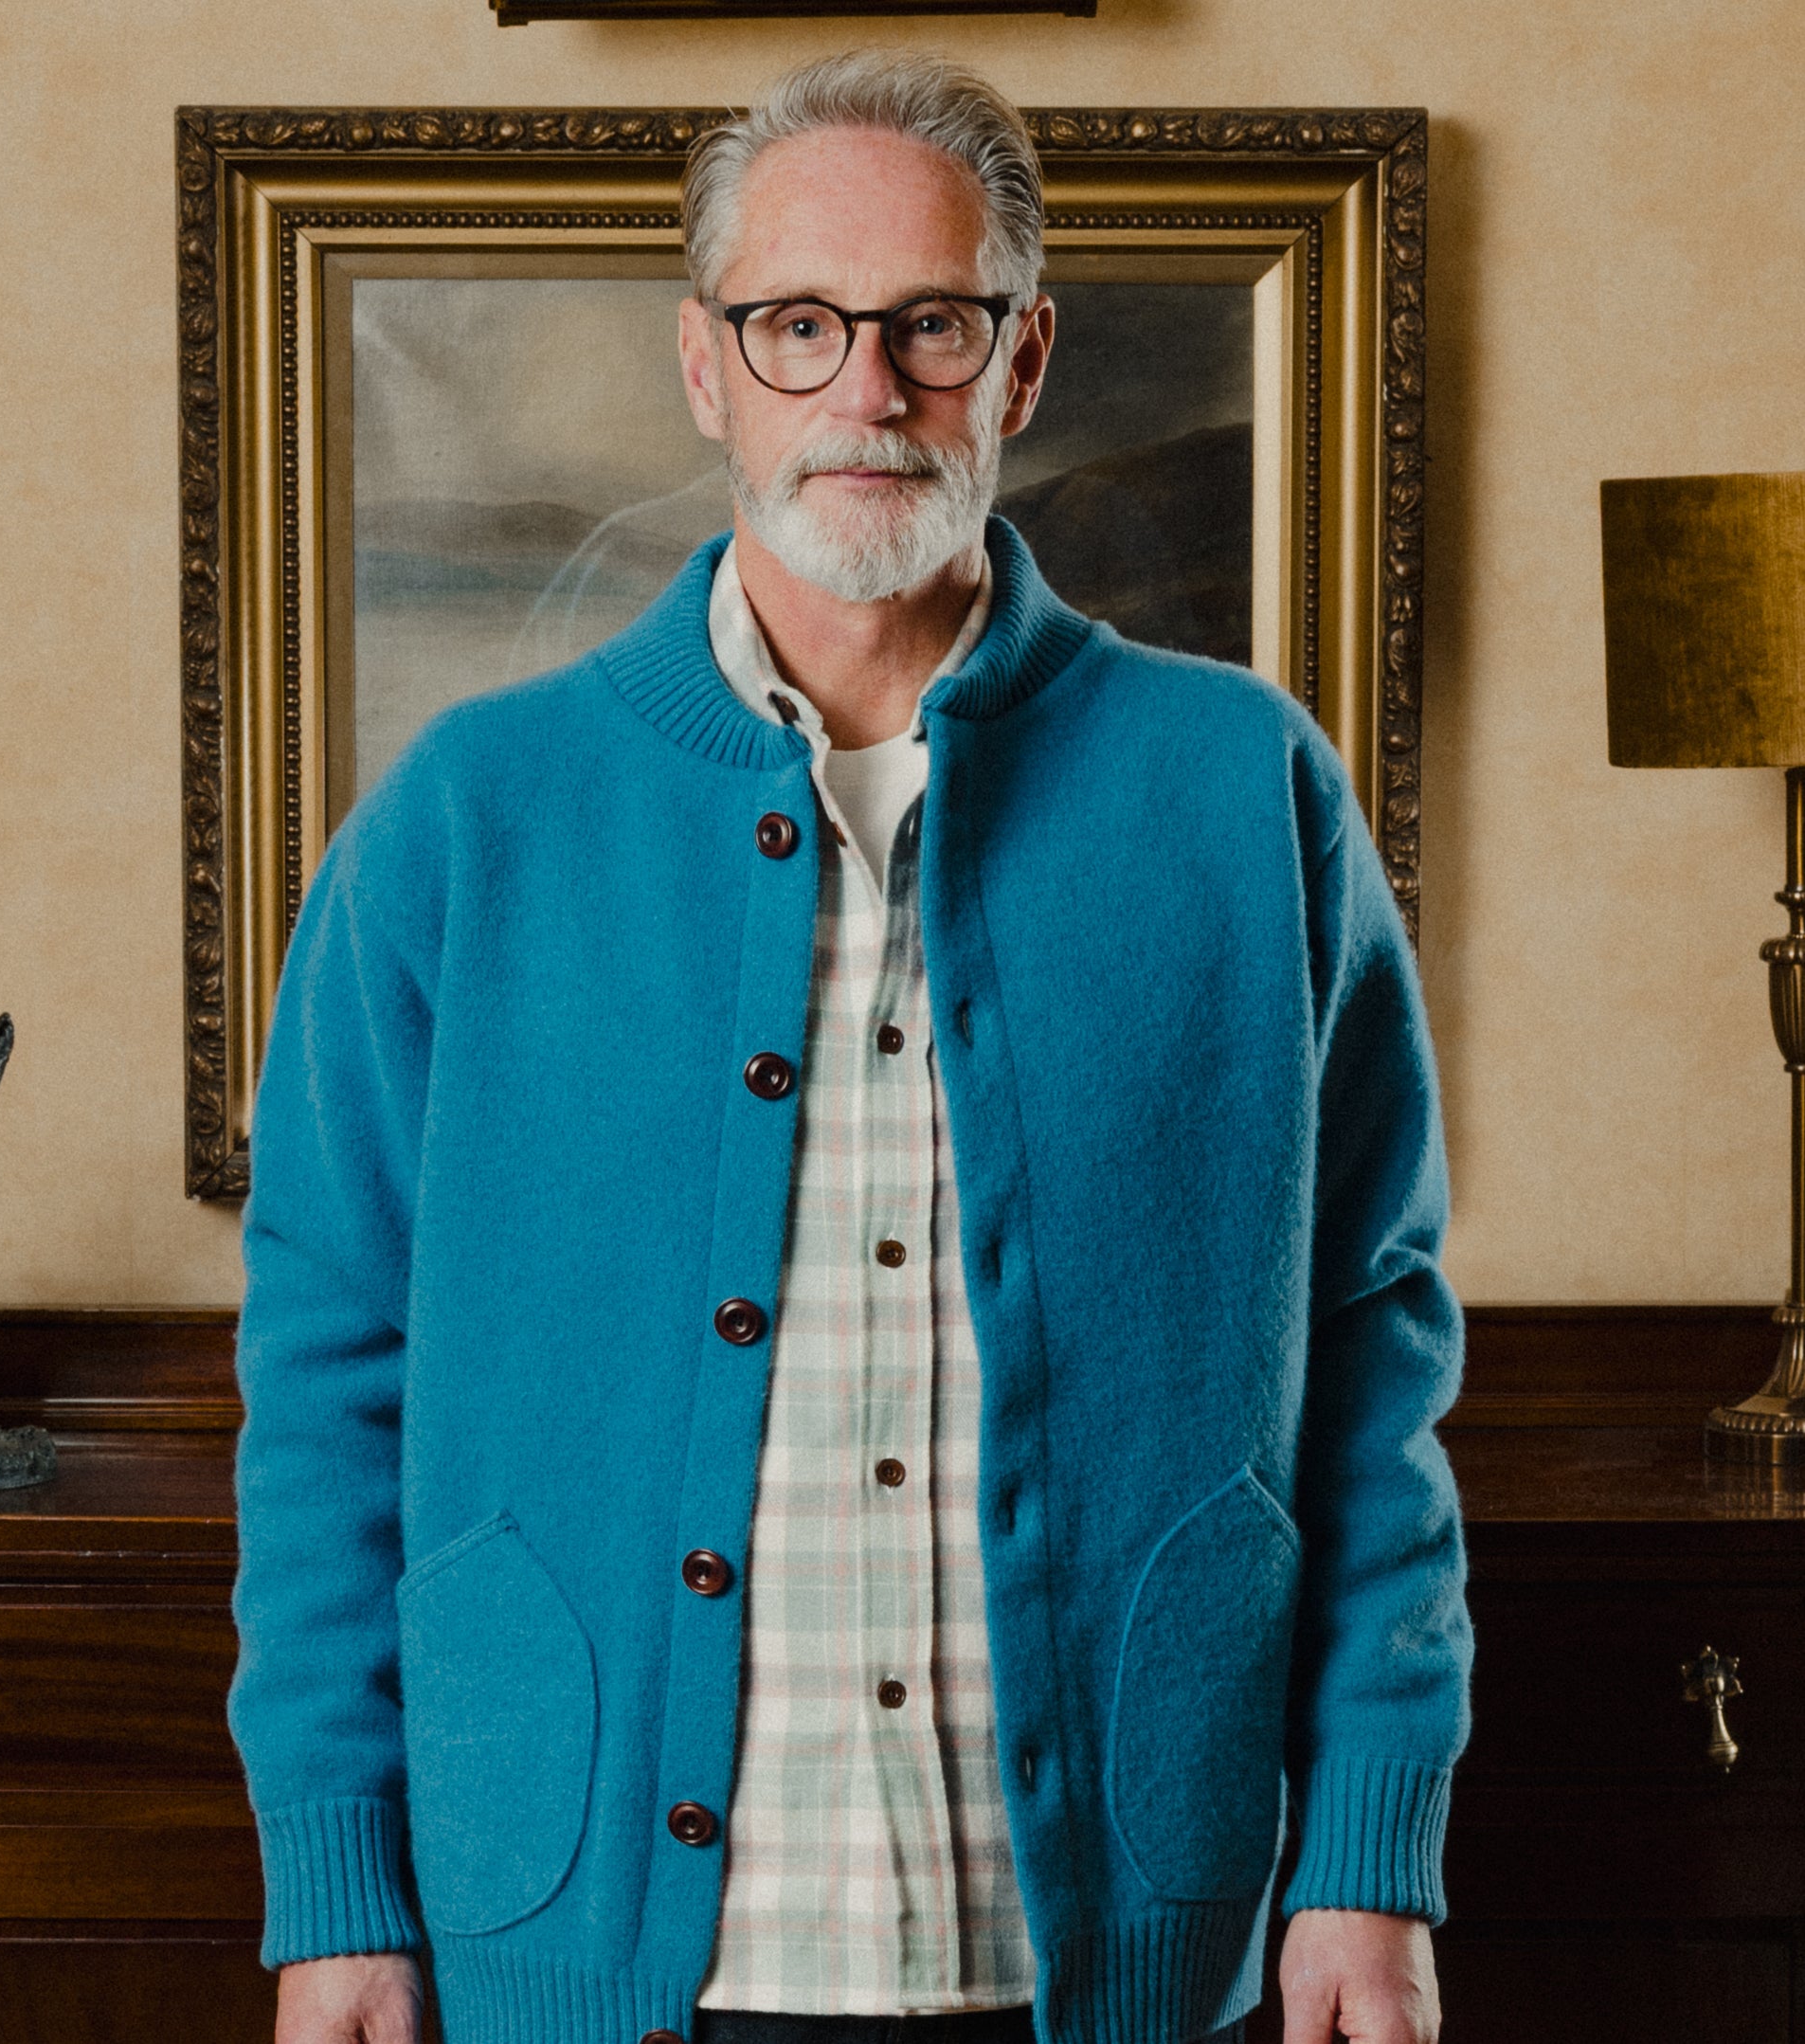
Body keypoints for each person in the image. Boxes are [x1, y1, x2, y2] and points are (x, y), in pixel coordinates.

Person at [230, 50, 1471, 2044]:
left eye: (930, 326)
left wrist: (1362, 1859)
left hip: (1125, 1945)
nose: (867, 393)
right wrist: (336, 1892)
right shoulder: (466, 820)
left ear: (1024, 361)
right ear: (707, 368)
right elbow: (323, 1389)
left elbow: (1370, 1350)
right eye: (798, 327)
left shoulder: (1243, 792)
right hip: (585, 1948)